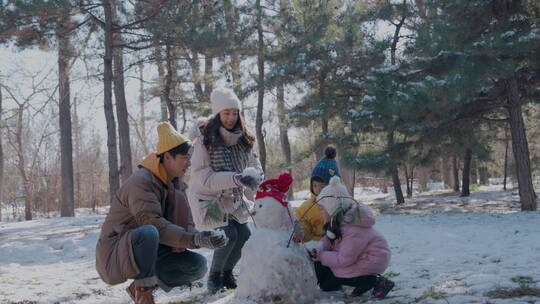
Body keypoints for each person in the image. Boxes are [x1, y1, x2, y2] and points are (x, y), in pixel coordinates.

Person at [95, 122, 228, 304]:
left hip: (150, 250)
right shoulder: (141, 182)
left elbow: (187, 225)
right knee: (149, 231)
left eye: (190, 158)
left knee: (197, 266)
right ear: (167, 157)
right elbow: (153, 223)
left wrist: (203, 237)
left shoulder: (177, 186)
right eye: (185, 158)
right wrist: (192, 239)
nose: (189, 163)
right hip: (116, 253)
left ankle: (138, 287)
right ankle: (144, 295)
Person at [188, 87, 263, 293]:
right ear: (217, 114)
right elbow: (205, 177)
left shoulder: (244, 139)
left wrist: (255, 177)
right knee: (227, 235)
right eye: (226, 113)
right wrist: (237, 178)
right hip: (208, 199)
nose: (230, 118)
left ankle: (227, 273)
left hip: (234, 198)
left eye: (234, 113)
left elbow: (255, 165)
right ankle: (214, 276)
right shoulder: (204, 140)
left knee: (245, 234)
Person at [309, 176, 394, 299]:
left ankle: (374, 281)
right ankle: (360, 282)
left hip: (372, 260)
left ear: (332, 208)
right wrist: (318, 249)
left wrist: (321, 256)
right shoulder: (338, 222)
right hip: (357, 256)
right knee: (326, 284)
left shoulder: (353, 229)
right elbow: (328, 241)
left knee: (334, 273)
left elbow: (344, 260)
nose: (320, 212)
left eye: (322, 208)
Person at [293, 175, 326, 243]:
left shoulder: (335, 203)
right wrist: (316, 240)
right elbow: (302, 229)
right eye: (315, 185)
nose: (318, 189)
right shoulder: (305, 207)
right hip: (314, 244)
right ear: (311, 187)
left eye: (322, 186)